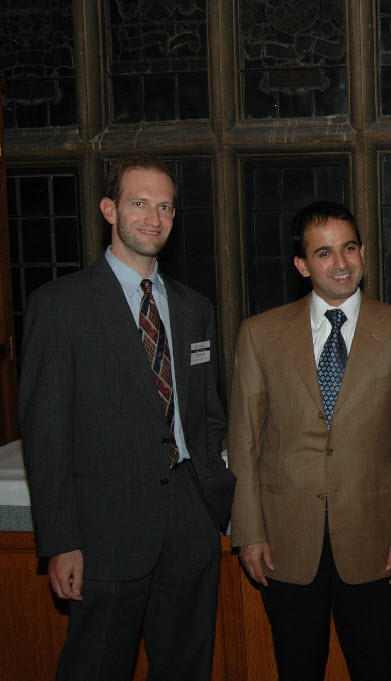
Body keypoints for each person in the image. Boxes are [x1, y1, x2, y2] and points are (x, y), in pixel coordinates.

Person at [19, 155, 236, 681]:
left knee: (186, 668)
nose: (153, 218)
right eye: (139, 203)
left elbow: (208, 413)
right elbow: (46, 434)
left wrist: (209, 499)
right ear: (109, 209)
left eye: (165, 207)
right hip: (103, 529)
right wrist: (61, 542)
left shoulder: (195, 308)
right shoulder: (60, 306)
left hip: (190, 522)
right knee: (96, 667)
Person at [228, 201, 391, 681]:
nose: (341, 263)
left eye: (349, 248)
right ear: (302, 265)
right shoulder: (259, 334)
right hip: (284, 542)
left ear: (362, 252)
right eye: (324, 253)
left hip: (374, 543)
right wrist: (249, 532)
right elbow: (244, 442)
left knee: (377, 669)